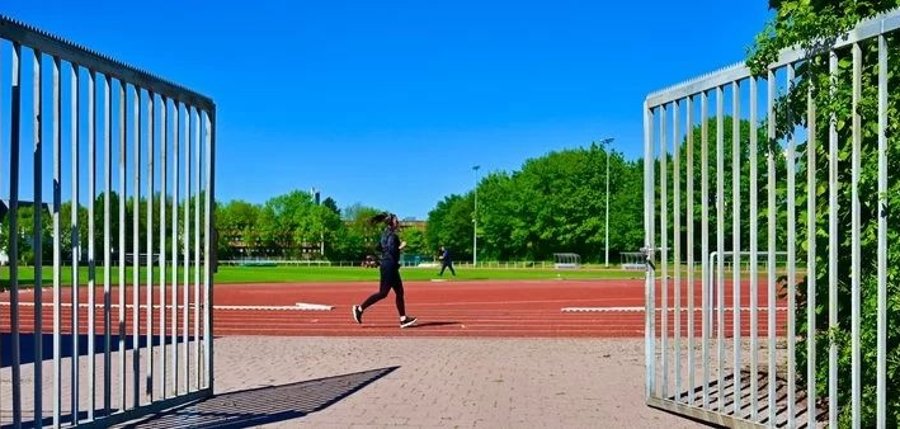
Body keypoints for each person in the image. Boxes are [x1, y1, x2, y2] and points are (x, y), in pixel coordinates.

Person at [352, 212, 417, 328]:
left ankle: (403, 319)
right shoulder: (392, 236)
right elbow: (393, 251)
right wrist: (401, 246)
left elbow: (378, 247)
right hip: (390, 266)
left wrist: (383, 255)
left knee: (399, 292)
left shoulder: (385, 234)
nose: (398, 222)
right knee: (383, 293)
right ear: (392, 222)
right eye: (396, 220)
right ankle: (359, 309)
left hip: (389, 265)